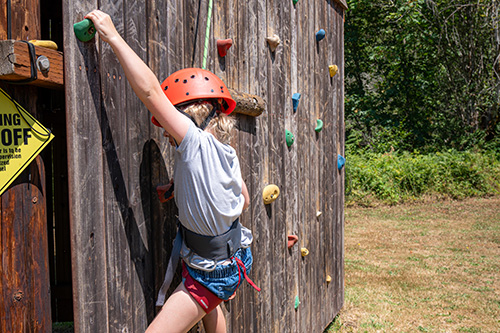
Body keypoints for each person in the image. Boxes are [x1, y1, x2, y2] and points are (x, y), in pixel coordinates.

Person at [85, 10, 260, 333]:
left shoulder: (192, 141)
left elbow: (150, 92)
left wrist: (112, 35)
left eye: (170, 121)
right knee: (210, 307)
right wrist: (182, 189)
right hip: (231, 257)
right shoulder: (226, 152)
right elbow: (243, 201)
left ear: (189, 114)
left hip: (211, 270)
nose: (165, 132)